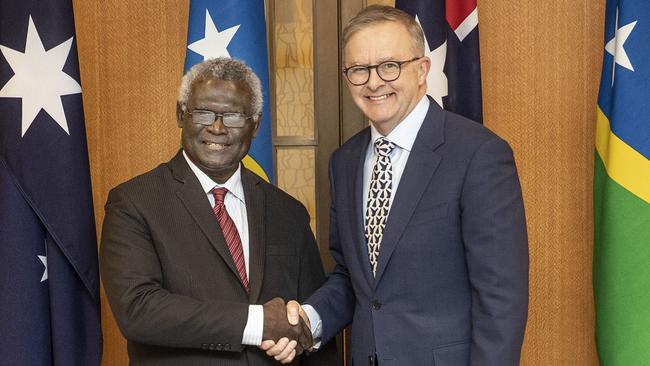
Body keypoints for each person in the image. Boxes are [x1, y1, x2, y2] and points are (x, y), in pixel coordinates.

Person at [264, 5, 529, 366]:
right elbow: (353, 277)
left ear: (422, 69)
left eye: (389, 66)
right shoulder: (344, 162)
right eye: (359, 70)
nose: (374, 82)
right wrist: (309, 320)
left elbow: (501, 298)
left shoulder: (478, 154)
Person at [100, 57, 336, 366]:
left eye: (234, 115)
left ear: (256, 124)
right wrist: (257, 323)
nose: (217, 127)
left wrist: (298, 338)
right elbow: (138, 310)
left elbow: (307, 320)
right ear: (181, 115)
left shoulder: (288, 211)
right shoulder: (134, 202)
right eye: (203, 112)